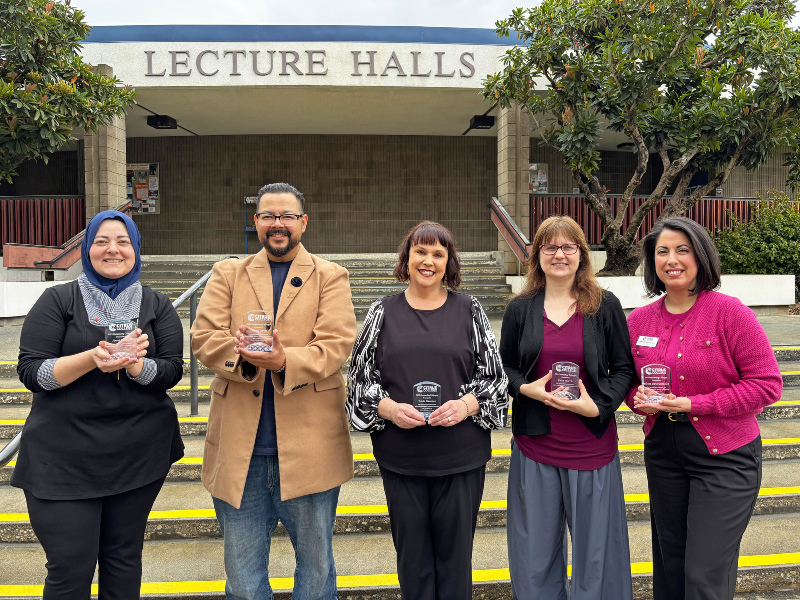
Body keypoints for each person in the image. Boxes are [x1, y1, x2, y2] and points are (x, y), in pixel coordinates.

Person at [191, 182, 357, 600]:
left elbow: (336, 345)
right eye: (268, 216)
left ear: (303, 222)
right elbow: (204, 337)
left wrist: (284, 362)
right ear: (256, 222)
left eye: (286, 216)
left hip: (310, 448)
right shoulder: (228, 273)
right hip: (240, 453)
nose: (277, 224)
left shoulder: (331, 276)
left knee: (316, 575)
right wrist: (247, 357)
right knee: (243, 581)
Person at [14, 210, 185, 600]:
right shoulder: (58, 299)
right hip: (63, 457)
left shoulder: (157, 304)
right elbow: (32, 373)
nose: (113, 250)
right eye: (102, 241)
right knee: (70, 565)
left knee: (123, 558)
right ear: (87, 248)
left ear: (136, 249)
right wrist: (93, 358)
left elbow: (172, 371)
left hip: (138, 455)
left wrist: (137, 365)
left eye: (123, 242)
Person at [347, 221, 508, 600]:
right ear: (407, 258)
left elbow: (496, 379)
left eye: (438, 254)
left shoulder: (469, 309)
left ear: (448, 262)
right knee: (413, 563)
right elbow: (357, 379)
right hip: (403, 458)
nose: (428, 261)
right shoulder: (381, 311)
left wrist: (467, 404)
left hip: (460, 456)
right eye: (421, 252)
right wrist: (386, 407)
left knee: (455, 563)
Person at [626, 217, 782, 600]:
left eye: (683, 249)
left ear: (701, 256)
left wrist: (696, 403)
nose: (672, 259)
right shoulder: (639, 319)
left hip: (725, 454)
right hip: (664, 451)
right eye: (662, 251)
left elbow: (767, 384)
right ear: (652, 261)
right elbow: (628, 382)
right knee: (671, 565)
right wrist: (639, 401)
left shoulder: (731, 313)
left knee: (704, 573)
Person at [499, 215, 635, 600]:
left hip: (591, 445)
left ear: (581, 254)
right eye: (549, 246)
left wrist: (598, 407)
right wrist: (527, 389)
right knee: (534, 553)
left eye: (568, 246)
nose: (559, 254)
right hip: (536, 444)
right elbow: (504, 366)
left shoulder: (604, 305)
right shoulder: (521, 308)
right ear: (537, 255)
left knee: (597, 556)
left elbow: (624, 368)